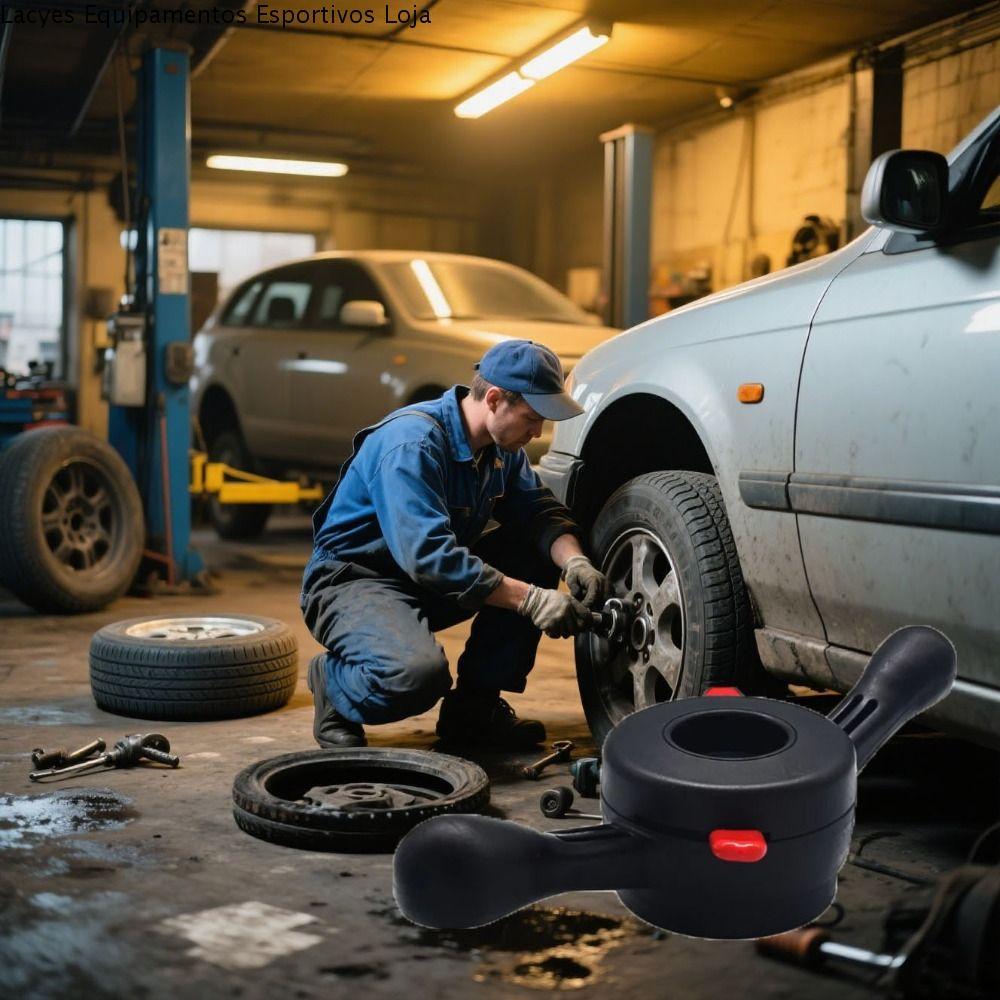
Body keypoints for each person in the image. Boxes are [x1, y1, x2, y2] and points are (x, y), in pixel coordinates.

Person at [300, 339, 607, 750]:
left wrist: (575, 563)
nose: (538, 432)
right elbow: (429, 557)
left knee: (534, 550)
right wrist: (531, 601)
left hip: (418, 579)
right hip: (353, 582)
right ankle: (335, 686)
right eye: (533, 418)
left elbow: (538, 511)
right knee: (415, 676)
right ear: (495, 399)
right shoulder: (412, 444)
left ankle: (472, 713)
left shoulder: (502, 449)